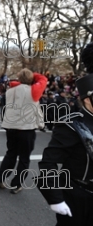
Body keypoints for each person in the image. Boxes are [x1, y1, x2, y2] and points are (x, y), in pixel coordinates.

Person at [34, 43, 93, 226]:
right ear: (86, 99)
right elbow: (48, 163)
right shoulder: (71, 124)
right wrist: (56, 199)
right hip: (78, 196)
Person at [0, 68, 47, 193]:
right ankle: (16, 184)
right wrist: (41, 125)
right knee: (24, 158)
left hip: (11, 127)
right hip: (26, 128)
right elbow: (37, 110)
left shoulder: (10, 91)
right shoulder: (34, 91)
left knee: (10, 154)